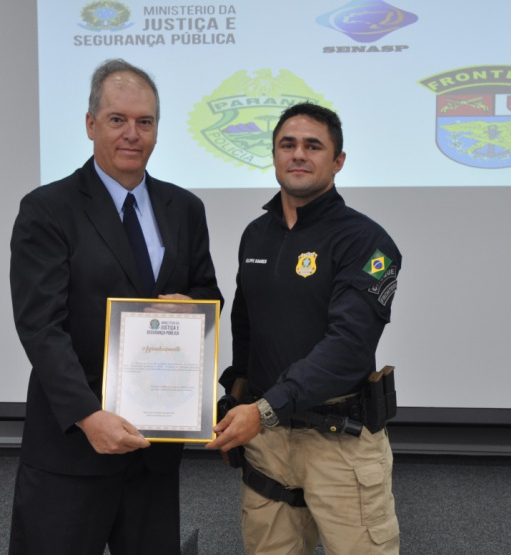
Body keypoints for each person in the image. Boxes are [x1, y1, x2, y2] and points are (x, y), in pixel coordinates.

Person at [8, 58, 222, 555]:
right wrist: (88, 415)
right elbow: (41, 325)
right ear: (90, 124)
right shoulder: (48, 209)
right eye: (117, 119)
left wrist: (191, 307)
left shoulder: (185, 209)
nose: (132, 134)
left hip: (154, 449)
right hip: (73, 446)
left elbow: (208, 295)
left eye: (144, 122)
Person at [206, 103, 402, 554]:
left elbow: (348, 347)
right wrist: (235, 401)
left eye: (313, 146)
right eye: (287, 144)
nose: (298, 154)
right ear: (274, 154)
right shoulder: (256, 235)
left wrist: (264, 409)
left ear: (338, 161)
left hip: (339, 443)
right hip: (267, 442)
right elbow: (247, 330)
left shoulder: (367, 241)